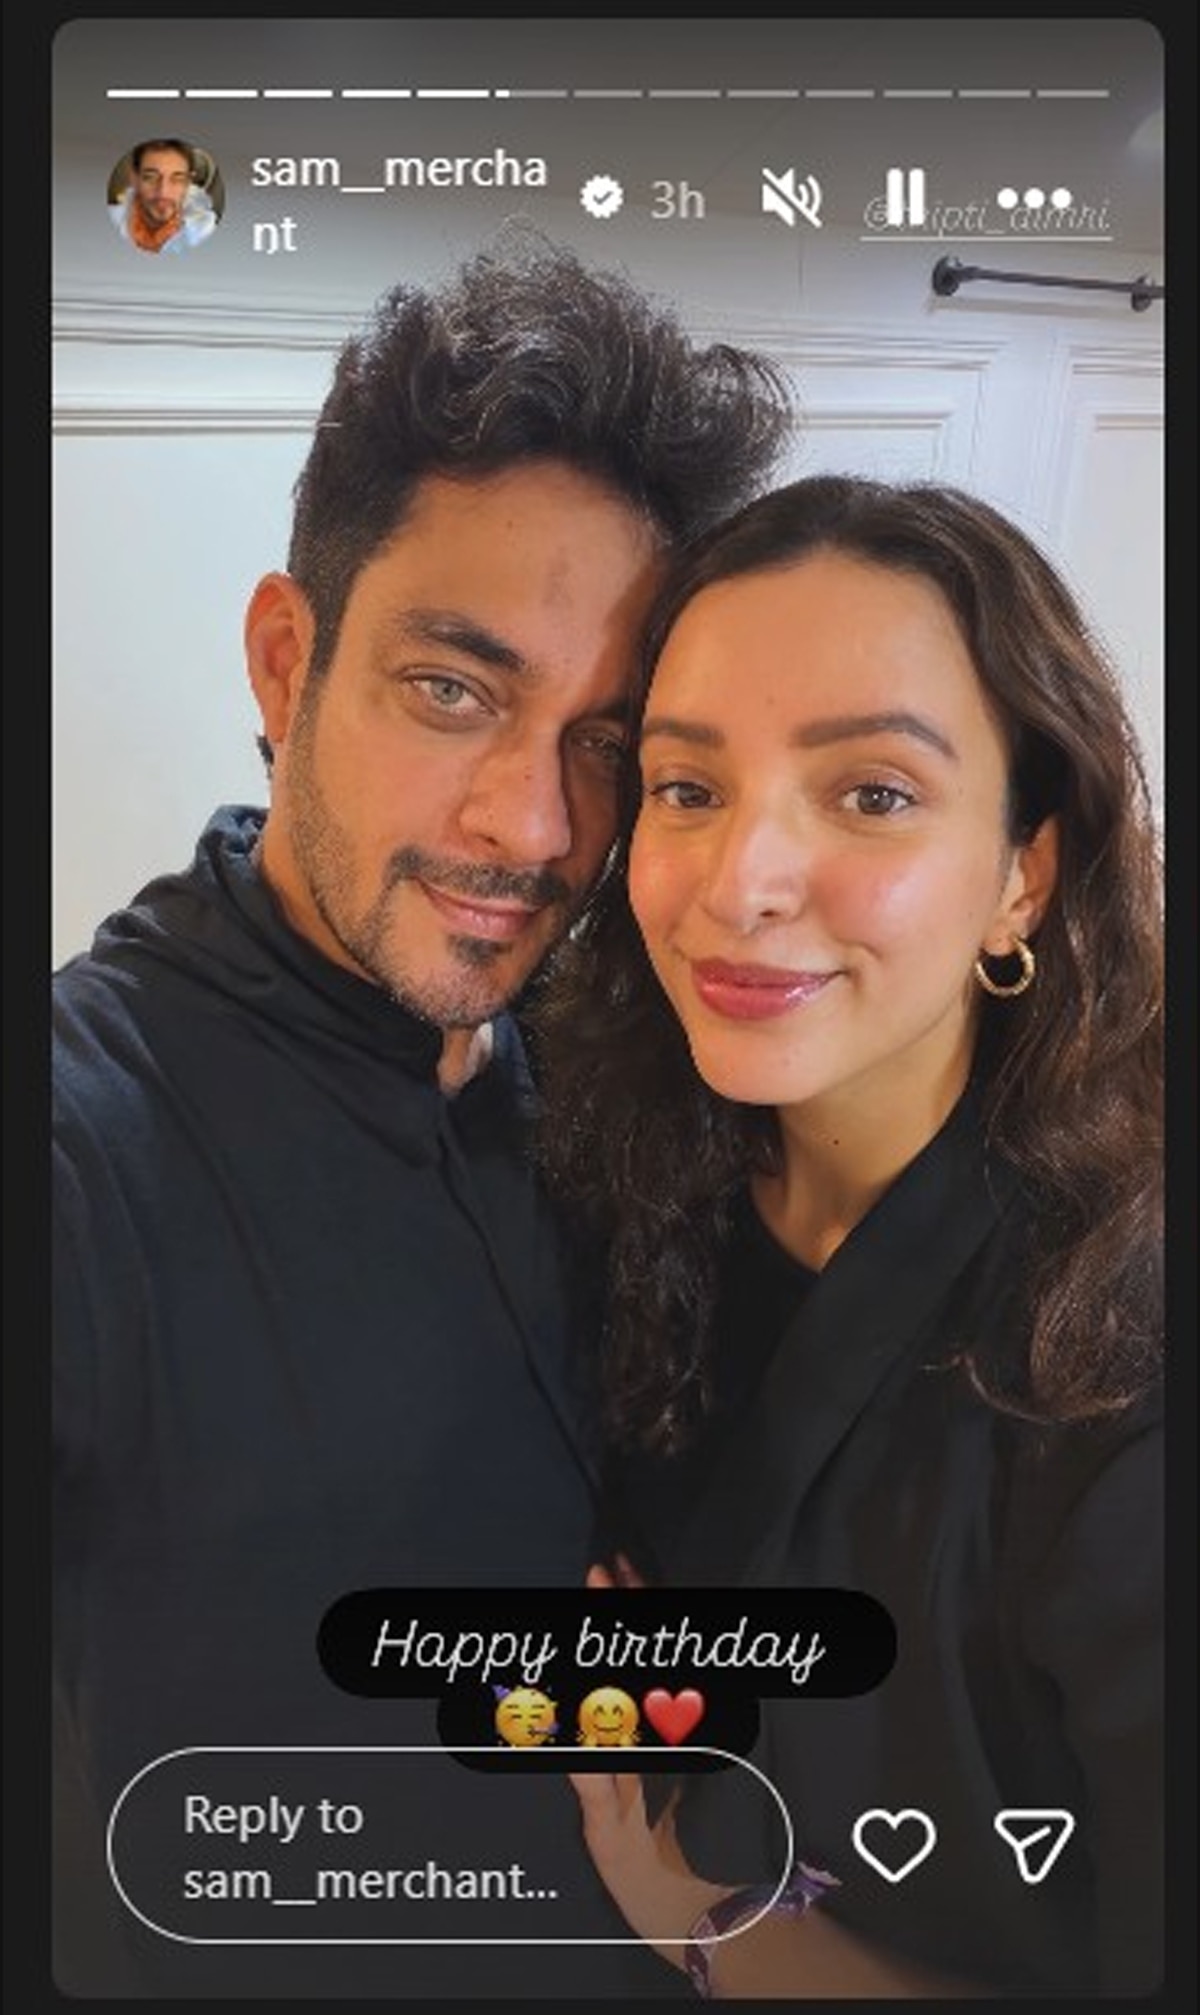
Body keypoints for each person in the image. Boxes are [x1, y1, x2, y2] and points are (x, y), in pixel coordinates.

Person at [52, 233, 793, 1998]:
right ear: (284, 663)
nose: (533, 827)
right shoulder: (86, 1139)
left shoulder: (613, 1069)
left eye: (604, 741)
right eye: (453, 690)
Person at [532, 474, 1164, 1997]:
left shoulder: (1122, 1347)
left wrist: (704, 1917)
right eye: (687, 787)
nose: (741, 884)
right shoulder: (622, 1167)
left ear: (1023, 870)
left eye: (873, 793)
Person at [108, 137, 219, 254]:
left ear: (188, 183)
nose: (163, 192)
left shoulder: (203, 231)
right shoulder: (112, 220)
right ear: (134, 179)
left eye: (178, 179)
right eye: (150, 177)